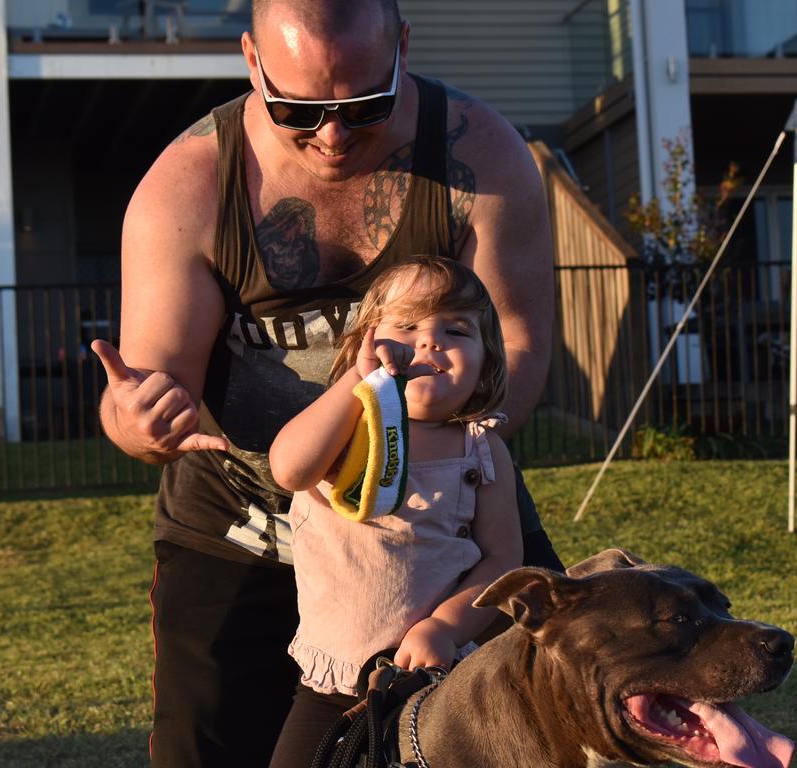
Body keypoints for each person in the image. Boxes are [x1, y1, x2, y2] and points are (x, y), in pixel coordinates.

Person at [89, 0, 560, 765]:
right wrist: (133, 420)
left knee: (536, 727)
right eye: (297, 109)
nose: (333, 134)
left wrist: (439, 479)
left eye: (363, 105)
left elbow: (519, 344)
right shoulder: (189, 185)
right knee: (206, 751)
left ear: (404, 47)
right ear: (251, 61)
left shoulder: (484, 157)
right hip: (244, 522)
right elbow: (148, 392)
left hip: (441, 512)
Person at [266, 255, 522, 766]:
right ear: (364, 341)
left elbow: (504, 561)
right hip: (334, 681)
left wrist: (445, 627)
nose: (429, 342)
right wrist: (357, 383)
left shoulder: (480, 447)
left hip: (437, 678)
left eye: (456, 329)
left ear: (486, 361)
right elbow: (289, 471)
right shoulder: (343, 424)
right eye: (406, 325)